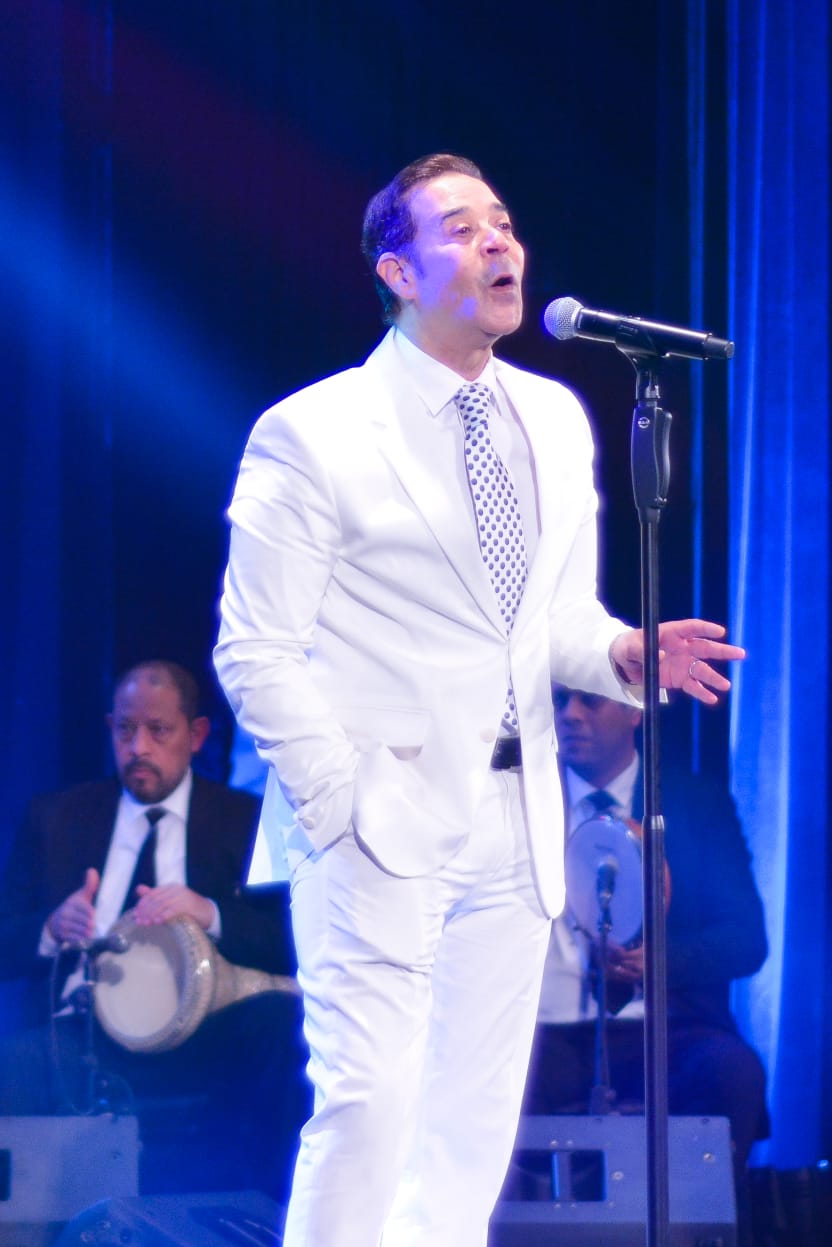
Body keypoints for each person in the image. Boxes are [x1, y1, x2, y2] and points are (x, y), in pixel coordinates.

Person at [213, 152, 745, 1247]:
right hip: (376, 818)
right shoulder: (313, 430)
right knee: (369, 1109)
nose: (498, 241)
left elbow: (548, 621)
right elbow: (253, 649)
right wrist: (344, 799)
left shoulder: (552, 416)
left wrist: (621, 649)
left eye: (503, 221)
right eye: (461, 228)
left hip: (516, 822)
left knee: (469, 1129)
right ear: (398, 273)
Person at [0, 660, 309, 1201]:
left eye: (158, 730)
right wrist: (51, 928)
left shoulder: (244, 822)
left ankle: (259, 1213)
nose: (138, 746)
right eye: (125, 729)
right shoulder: (57, 817)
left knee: (285, 1023)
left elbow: (295, 940)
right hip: (82, 1038)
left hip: (207, 1033)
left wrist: (210, 913)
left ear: (196, 735)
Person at [520, 685, 767, 1236]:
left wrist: (661, 961)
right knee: (475, 1082)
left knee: (731, 1071)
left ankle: (699, 1235)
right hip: (544, 1031)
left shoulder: (691, 803)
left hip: (663, 1028)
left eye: (590, 701)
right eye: (559, 702)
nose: (570, 716)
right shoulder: (520, 801)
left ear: (634, 710)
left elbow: (747, 938)